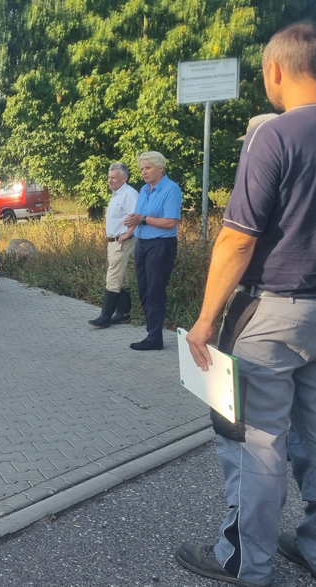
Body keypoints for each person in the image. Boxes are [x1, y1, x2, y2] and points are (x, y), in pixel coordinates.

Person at [179, 22, 316, 587]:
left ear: (275, 71)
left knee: (257, 444)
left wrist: (206, 320)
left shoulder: (276, 134)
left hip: (274, 313)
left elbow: (237, 237)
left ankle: (248, 564)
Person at [122, 151, 182, 350]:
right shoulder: (145, 190)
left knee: (155, 291)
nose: (143, 172)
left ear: (160, 168)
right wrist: (129, 229)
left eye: (147, 168)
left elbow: (171, 221)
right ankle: (151, 332)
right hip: (143, 243)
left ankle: (155, 338)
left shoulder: (171, 189)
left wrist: (143, 220)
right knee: (144, 290)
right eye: (141, 169)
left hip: (161, 245)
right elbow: (138, 216)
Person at [88, 162, 138, 328]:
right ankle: (123, 313)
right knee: (121, 277)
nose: (110, 180)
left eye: (114, 178)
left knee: (113, 277)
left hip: (122, 241)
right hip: (114, 241)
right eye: (109, 177)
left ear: (124, 178)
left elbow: (138, 217)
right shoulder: (117, 193)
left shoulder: (129, 194)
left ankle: (105, 316)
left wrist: (128, 233)